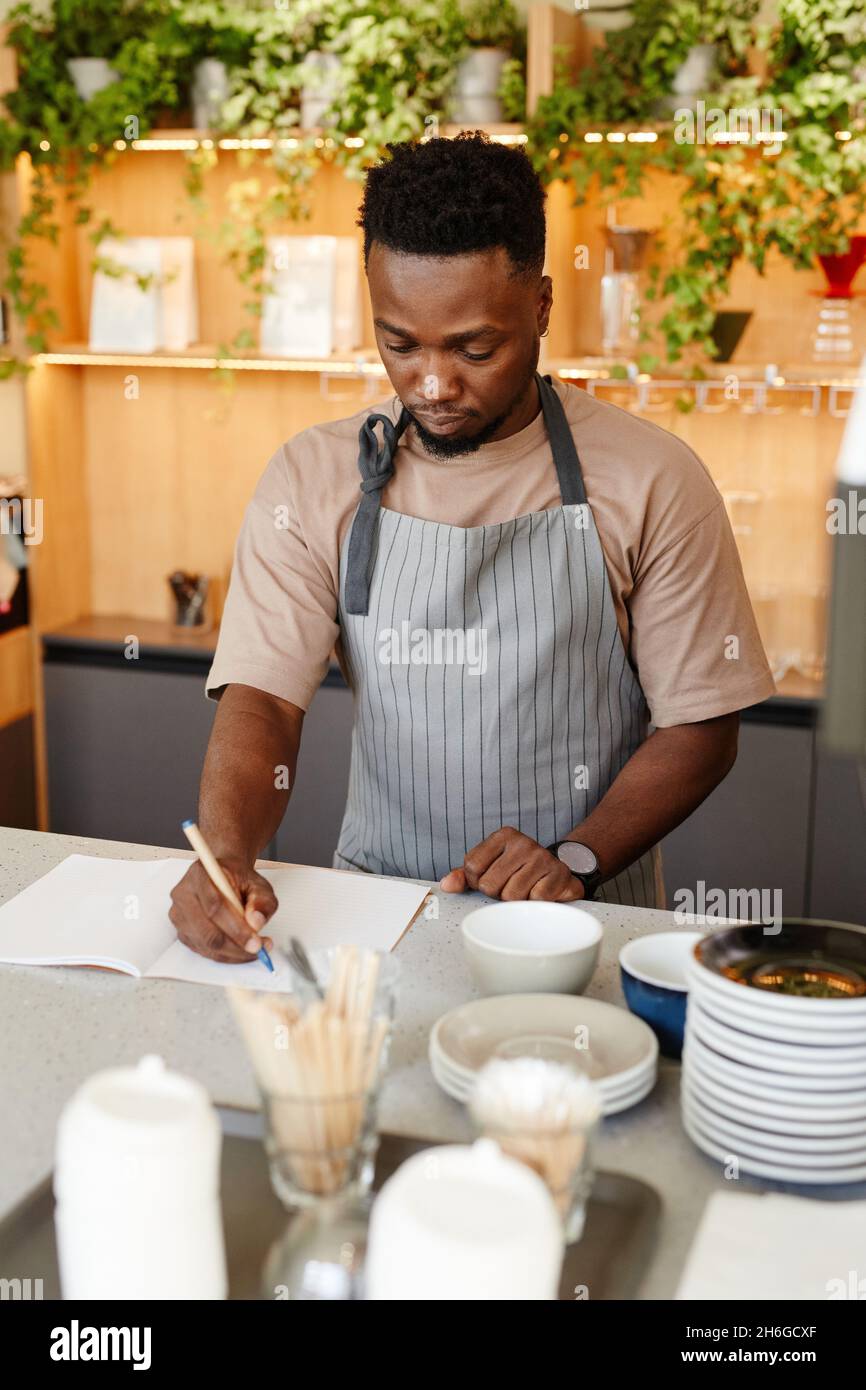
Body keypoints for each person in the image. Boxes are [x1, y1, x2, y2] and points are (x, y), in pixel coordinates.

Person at [169, 132, 775, 962]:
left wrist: (574, 859)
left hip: (584, 925)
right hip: (379, 916)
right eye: (400, 343)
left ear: (542, 307)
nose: (431, 385)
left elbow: (702, 726)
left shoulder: (652, 478)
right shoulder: (311, 478)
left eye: (473, 349)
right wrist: (228, 850)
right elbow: (265, 701)